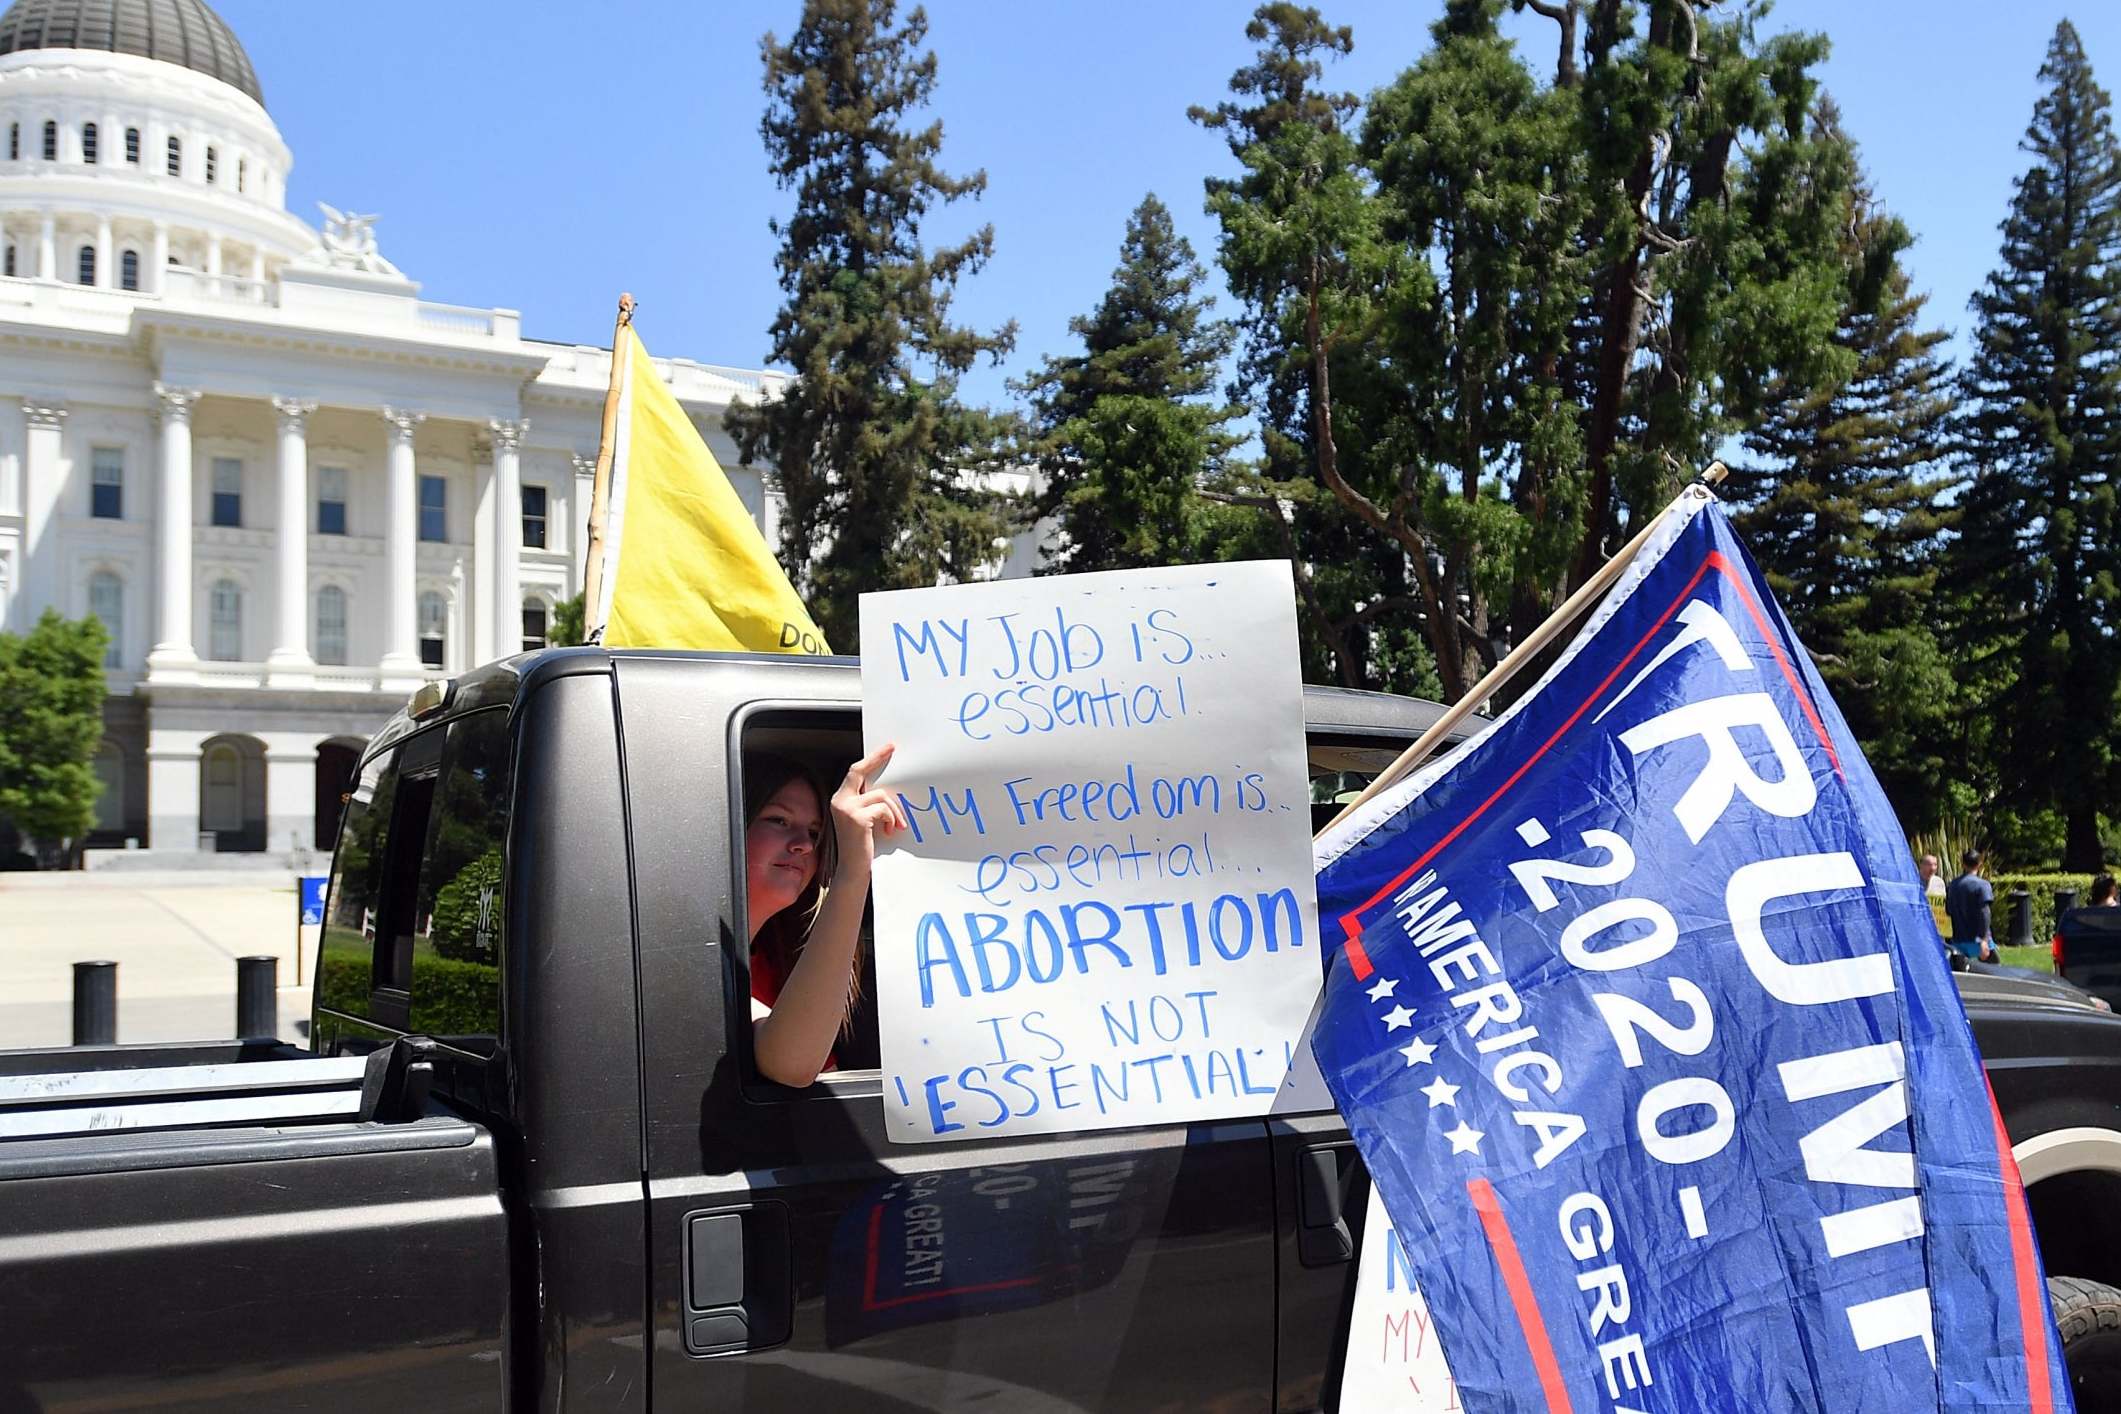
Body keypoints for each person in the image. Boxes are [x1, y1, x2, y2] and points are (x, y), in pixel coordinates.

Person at [744, 744, 907, 1087]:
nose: (803, 843)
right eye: (779, 820)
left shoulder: (778, 962)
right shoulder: (695, 960)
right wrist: (853, 870)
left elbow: (821, 1076)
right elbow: (792, 1067)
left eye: (815, 833)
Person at [1944, 848, 1997, 964]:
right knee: (1991, 977)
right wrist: (1983, 939)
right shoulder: (1983, 885)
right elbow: (1985, 913)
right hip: (1978, 943)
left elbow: (1948, 911)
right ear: (1979, 864)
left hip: (1958, 941)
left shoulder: (1952, 885)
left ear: (1963, 864)